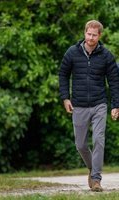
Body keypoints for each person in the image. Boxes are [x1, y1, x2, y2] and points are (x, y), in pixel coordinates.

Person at [59, 20, 119, 192]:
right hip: (78, 104)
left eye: (94, 35)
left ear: (99, 36)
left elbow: (114, 82)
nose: (90, 38)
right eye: (88, 34)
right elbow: (63, 74)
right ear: (84, 33)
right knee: (80, 145)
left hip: (99, 104)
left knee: (99, 140)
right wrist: (65, 98)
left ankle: (96, 179)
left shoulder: (106, 56)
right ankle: (92, 168)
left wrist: (116, 105)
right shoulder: (72, 52)